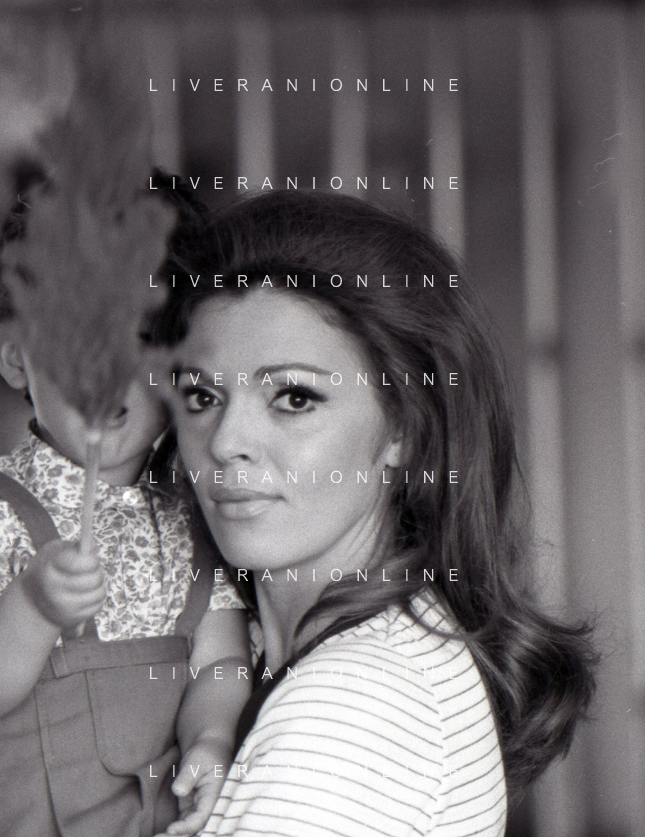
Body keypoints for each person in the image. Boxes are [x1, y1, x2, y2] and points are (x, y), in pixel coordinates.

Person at [149, 190, 597, 836]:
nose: (225, 441)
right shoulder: (367, 642)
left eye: (294, 397)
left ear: (405, 429)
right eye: (201, 395)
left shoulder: (347, 707)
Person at [0, 181, 252, 837]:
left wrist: (210, 737)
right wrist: (32, 608)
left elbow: (221, 662)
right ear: (14, 359)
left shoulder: (195, 520)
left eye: (140, 339)